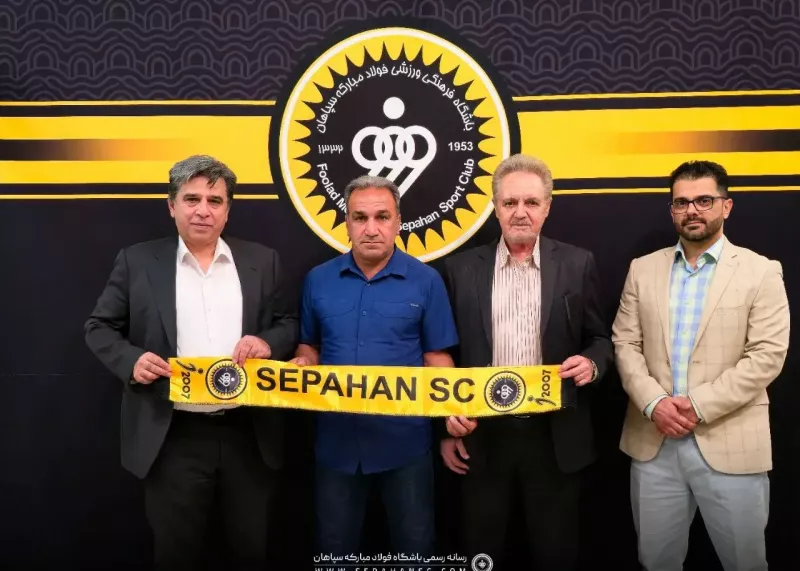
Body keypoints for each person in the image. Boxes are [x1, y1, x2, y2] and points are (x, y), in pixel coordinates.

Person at [84, 155, 298, 570]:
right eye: (192, 199)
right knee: (177, 555)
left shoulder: (263, 260)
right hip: (172, 435)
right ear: (172, 205)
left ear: (228, 210)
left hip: (248, 434)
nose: (203, 210)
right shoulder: (137, 261)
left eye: (215, 201)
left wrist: (267, 343)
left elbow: (288, 323)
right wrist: (131, 361)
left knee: (250, 551)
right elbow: (99, 326)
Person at [612, 160, 790, 571]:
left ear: (726, 206)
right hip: (653, 444)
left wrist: (696, 405)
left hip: (732, 442)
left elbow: (767, 355)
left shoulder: (761, 271)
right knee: (656, 561)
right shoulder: (642, 269)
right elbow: (625, 343)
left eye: (704, 200)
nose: (692, 210)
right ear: (672, 210)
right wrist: (654, 403)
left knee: (745, 562)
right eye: (682, 202)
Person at [439, 153, 613, 570]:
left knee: (556, 554)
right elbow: (446, 356)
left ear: (547, 207)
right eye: (510, 202)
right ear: (495, 206)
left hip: (555, 435)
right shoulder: (460, 270)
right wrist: (444, 423)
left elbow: (600, 339)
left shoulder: (578, 263)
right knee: (481, 554)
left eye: (531, 202)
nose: (520, 212)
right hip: (482, 435)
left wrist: (591, 364)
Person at [291, 175, 459, 560]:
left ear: (398, 221)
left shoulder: (426, 281)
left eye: (382, 217)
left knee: (415, 553)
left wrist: (451, 417)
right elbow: (309, 346)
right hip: (336, 446)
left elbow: (437, 360)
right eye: (360, 217)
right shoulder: (317, 280)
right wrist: (303, 363)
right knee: (335, 554)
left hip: (406, 446)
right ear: (346, 223)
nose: (371, 228)